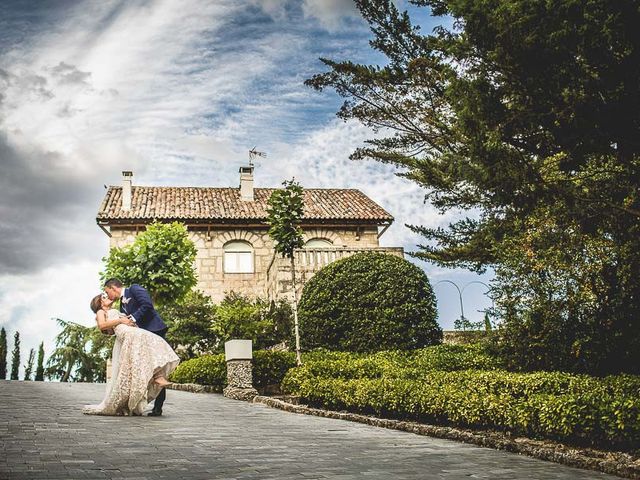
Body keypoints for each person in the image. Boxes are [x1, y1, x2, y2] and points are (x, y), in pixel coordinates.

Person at [82, 293, 179, 416]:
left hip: (131, 331)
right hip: (126, 334)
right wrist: (121, 320)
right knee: (153, 340)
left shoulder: (115, 309)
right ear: (100, 303)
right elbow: (102, 326)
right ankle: (157, 377)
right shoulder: (101, 312)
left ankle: (157, 376)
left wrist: (128, 322)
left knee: (147, 352)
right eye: (104, 297)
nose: (108, 297)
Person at [103, 278, 171, 416]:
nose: (107, 295)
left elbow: (147, 305)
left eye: (107, 291)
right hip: (140, 337)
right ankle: (144, 404)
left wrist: (132, 319)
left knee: (157, 366)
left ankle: (158, 406)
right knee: (149, 368)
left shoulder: (133, 289)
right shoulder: (121, 306)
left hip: (154, 331)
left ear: (113, 287)